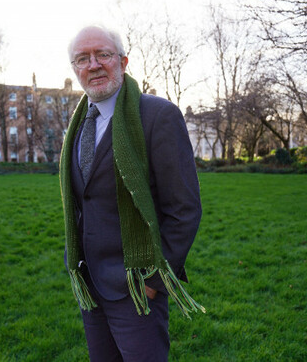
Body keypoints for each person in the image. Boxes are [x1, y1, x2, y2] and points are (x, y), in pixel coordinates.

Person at [59, 25, 204, 362]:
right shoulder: (79, 122)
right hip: (90, 283)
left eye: (103, 55)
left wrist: (154, 279)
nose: (93, 65)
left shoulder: (158, 115)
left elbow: (184, 208)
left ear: (122, 61)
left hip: (137, 287)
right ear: (75, 70)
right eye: (82, 59)